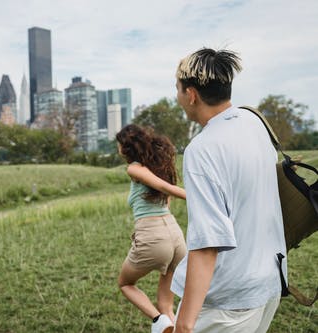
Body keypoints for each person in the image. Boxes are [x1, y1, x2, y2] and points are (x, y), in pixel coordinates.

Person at [171, 48, 287, 333]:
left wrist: (184, 324)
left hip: (229, 302)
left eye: (178, 89)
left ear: (192, 94)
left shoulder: (202, 149)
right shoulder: (255, 123)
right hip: (269, 282)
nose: (177, 98)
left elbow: (208, 243)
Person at [116, 124, 187, 333]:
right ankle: (168, 323)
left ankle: (159, 321)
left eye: (119, 145)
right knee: (167, 305)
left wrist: (196, 196)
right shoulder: (157, 168)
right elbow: (165, 192)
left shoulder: (134, 168)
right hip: (175, 236)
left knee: (125, 283)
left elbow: (165, 189)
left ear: (126, 147)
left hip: (153, 236)